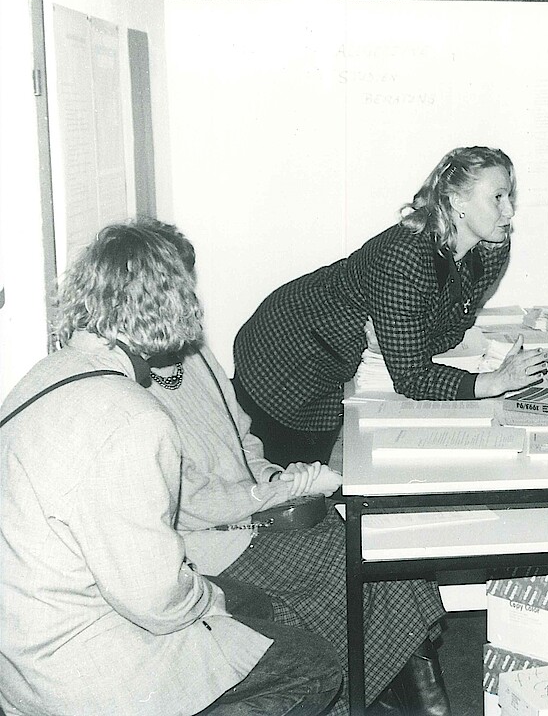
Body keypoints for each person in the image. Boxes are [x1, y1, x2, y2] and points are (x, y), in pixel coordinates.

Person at [0, 221, 341, 716]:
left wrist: (208, 599)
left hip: (22, 654)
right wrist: (211, 606)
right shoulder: (132, 418)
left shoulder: (43, 376)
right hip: (78, 670)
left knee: (253, 608)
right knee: (315, 666)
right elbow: (155, 601)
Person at [141, 219, 451, 715]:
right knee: (353, 555)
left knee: (381, 542)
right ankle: (406, 691)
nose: (189, 298)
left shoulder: (193, 355)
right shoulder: (131, 393)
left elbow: (243, 436)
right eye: (176, 287)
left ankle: (400, 683)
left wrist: (271, 477)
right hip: (216, 540)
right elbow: (187, 503)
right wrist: (272, 493)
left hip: (257, 509)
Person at [233, 146, 548, 466]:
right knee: (295, 489)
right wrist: (494, 381)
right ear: (457, 202)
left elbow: (456, 327)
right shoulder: (405, 256)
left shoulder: (491, 248)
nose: (508, 211)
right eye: (497, 197)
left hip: (338, 365)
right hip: (284, 355)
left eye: (509, 196)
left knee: (329, 475)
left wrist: (397, 344)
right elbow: (411, 376)